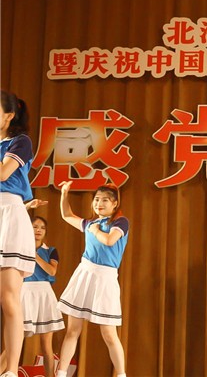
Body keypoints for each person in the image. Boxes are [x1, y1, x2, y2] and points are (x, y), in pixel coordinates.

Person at [56, 182, 130, 377]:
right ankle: (61, 373)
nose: (99, 203)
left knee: (109, 334)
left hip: (105, 278)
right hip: (85, 273)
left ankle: (121, 374)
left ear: (115, 203)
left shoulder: (121, 222)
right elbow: (67, 215)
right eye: (96, 199)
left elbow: (109, 240)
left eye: (105, 200)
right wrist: (64, 193)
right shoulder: (90, 223)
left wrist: (95, 230)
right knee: (73, 330)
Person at [0, 90, 36, 377]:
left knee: (8, 298)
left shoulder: (20, 141)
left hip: (8, 214)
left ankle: (11, 370)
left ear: (9, 115)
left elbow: (3, 174)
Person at [22, 213, 65, 376]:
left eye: (42, 228)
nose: (38, 230)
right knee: (16, 341)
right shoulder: (20, 248)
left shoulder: (51, 251)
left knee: (46, 345)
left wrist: (35, 257)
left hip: (45, 293)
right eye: (35, 226)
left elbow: (52, 271)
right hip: (25, 291)